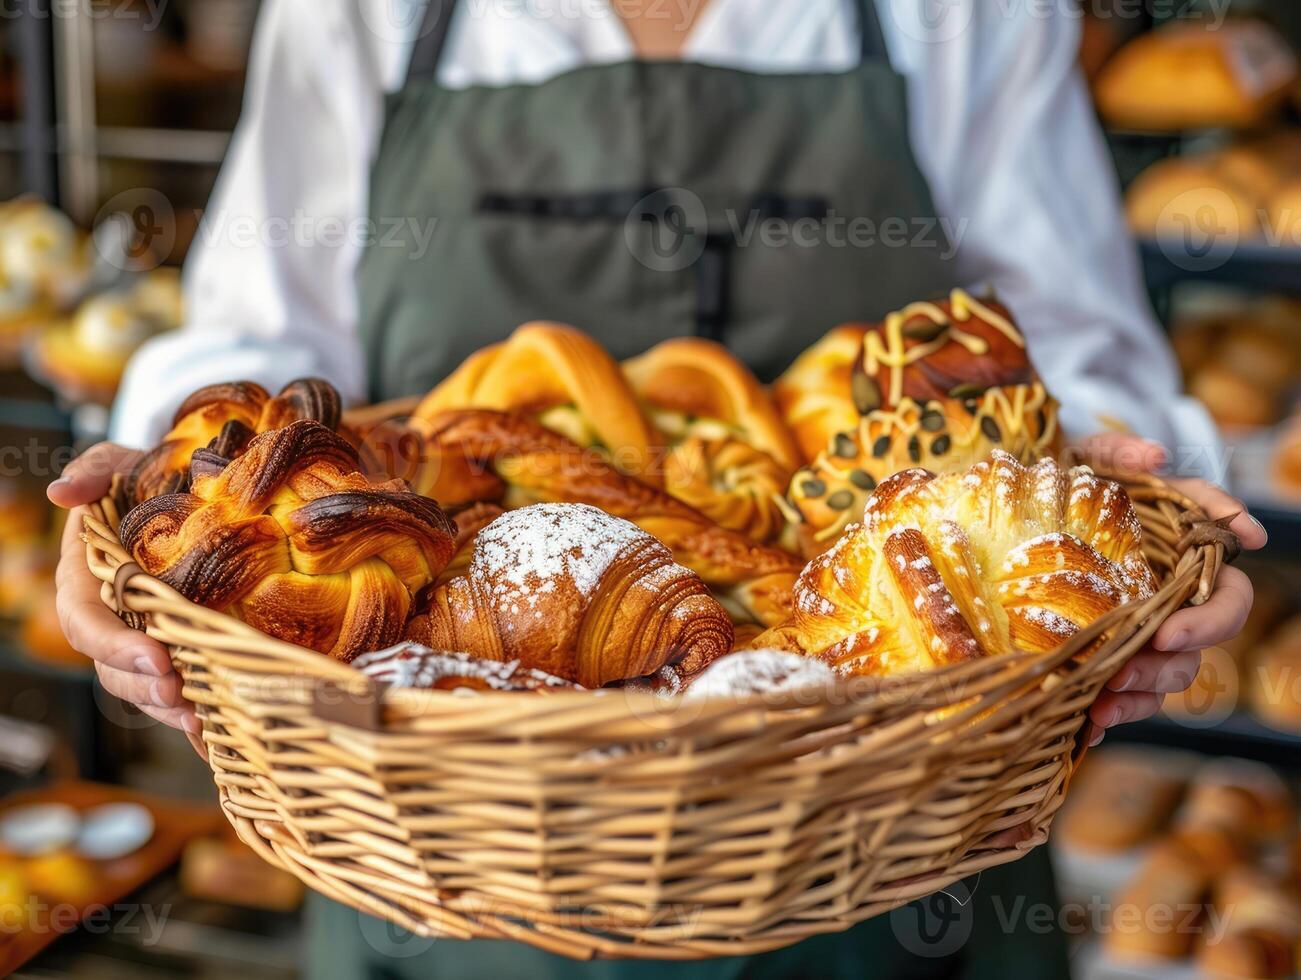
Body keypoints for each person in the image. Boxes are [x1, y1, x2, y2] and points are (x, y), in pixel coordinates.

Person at [48, 1, 1263, 976]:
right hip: (440, 860)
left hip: (893, 826)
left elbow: (1062, 353)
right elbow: (246, 354)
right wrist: (146, 500)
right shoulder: (363, 15)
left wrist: (1109, 516)